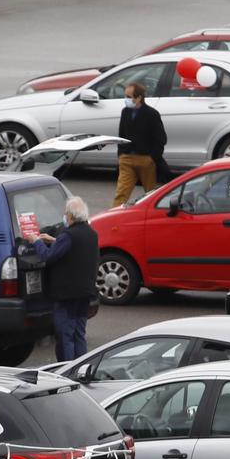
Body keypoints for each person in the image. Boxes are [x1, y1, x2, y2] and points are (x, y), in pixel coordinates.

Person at [36, 196, 99, 362]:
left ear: (71, 216)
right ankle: (80, 368)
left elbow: (48, 256)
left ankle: (66, 370)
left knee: (65, 335)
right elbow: (76, 249)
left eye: (65, 213)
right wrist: (55, 241)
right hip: (85, 294)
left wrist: (36, 242)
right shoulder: (91, 234)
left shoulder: (69, 235)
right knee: (79, 333)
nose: (64, 216)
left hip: (66, 296)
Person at [112, 81, 167, 207]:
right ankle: (112, 219)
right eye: (125, 96)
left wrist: (152, 158)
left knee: (151, 195)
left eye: (129, 97)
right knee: (121, 194)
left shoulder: (151, 114)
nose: (126, 100)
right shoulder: (125, 112)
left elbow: (161, 139)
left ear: (139, 98)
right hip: (127, 159)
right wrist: (121, 155)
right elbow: (122, 135)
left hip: (145, 160)